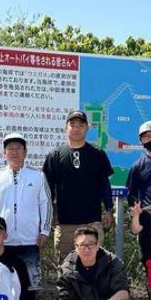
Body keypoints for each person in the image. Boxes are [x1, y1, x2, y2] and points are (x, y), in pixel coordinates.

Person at [0, 131, 52, 291]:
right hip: (2, 242)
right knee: (0, 287)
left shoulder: (38, 176)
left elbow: (46, 203)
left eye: (18, 148)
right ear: (4, 153)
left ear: (25, 152)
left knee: (29, 287)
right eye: (10, 148)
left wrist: (45, 231)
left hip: (30, 240)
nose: (14, 152)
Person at [43, 110, 114, 258]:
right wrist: (49, 216)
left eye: (80, 125)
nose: (76, 128)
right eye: (72, 124)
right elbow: (47, 190)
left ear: (87, 128)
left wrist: (108, 209)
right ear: (66, 127)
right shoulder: (55, 155)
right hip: (64, 224)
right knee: (65, 268)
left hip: (91, 222)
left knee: (93, 266)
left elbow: (104, 184)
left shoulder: (97, 154)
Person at [55, 227, 132, 300]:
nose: (87, 249)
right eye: (82, 245)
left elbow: (123, 293)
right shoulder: (66, 268)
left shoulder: (113, 262)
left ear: (97, 245)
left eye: (91, 244)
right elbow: (66, 299)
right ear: (76, 247)